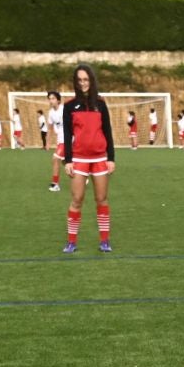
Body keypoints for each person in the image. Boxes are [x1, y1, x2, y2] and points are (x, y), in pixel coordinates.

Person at [59, 63, 116, 255]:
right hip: (79, 158)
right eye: (79, 80)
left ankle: (105, 241)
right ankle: (71, 241)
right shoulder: (68, 106)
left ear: (91, 81)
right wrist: (68, 161)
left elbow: (107, 131)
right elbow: (67, 134)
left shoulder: (100, 104)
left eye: (86, 79)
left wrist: (111, 158)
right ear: (75, 82)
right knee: (77, 199)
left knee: (101, 198)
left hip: (100, 158)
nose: (83, 83)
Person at [47, 92, 65, 190]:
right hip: (60, 140)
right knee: (65, 161)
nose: (51, 100)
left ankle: (55, 184)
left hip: (68, 139)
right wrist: (48, 142)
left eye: (53, 98)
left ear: (58, 100)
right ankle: (80, 176)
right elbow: (49, 128)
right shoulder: (50, 113)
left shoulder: (65, 109)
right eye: (49, 99)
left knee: (55, 159)